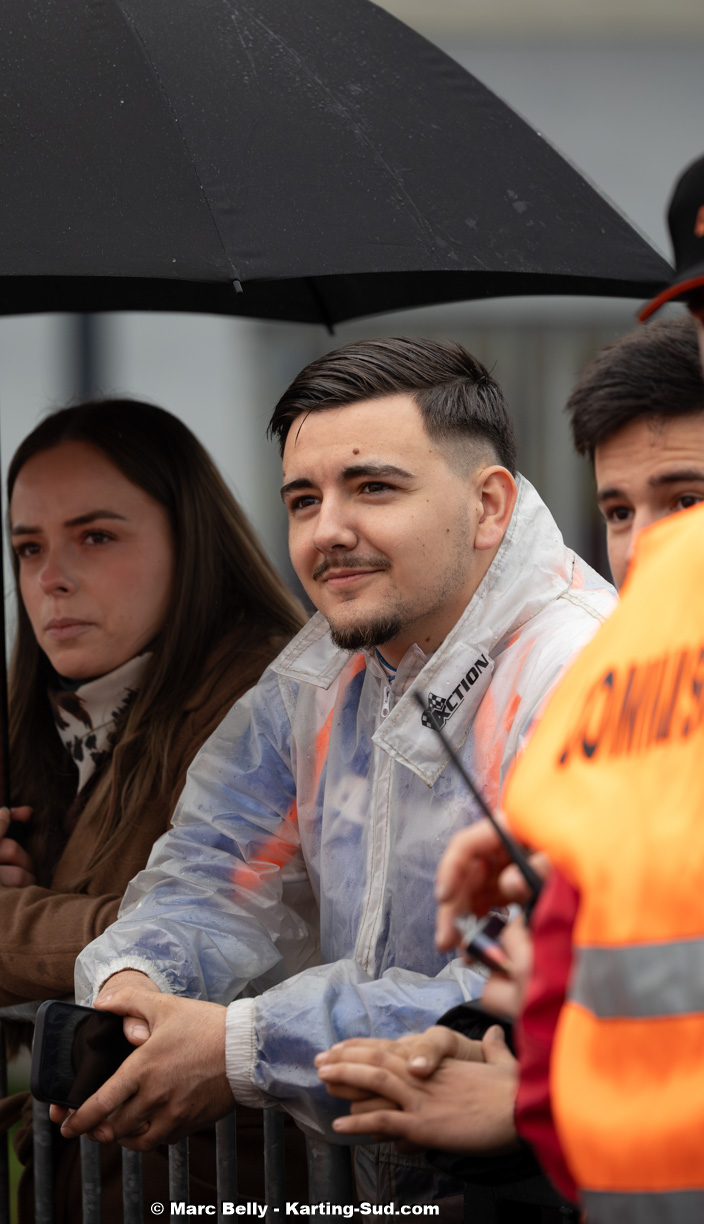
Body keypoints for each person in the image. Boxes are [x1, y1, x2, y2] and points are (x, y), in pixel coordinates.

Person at [55, 337, 616, 1207]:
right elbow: (215, 869)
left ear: (489, 506)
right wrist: (137, 987)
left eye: (373, 487)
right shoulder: (321, 676)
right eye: (303, 499)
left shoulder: (582, 670)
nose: (328, 532)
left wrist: (244, 1048)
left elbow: (532, 984)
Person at [318, 306, 704, 1215]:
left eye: (686, 501)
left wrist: (532, 1101)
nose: (646, 546)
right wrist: (507, 1060)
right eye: (619, 510)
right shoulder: (618, 696)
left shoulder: (582, 662)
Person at [0, 399, 307, 1219]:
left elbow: (201, 934)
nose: (52, 578)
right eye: (28, 547)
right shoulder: (64, 709)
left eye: (96, 537)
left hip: (222, 1183)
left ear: (190, 540)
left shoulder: (268, 704)